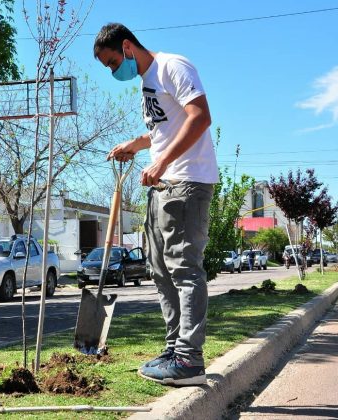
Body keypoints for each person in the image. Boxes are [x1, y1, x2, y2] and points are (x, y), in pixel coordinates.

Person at [93, 23, 218, 386]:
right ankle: (174, 349)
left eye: (114, 62)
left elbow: (200, 116)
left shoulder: (172, 67)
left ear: (128, 46)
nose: (114, 71)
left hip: (187, 182)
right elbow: (165, 130)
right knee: (160, 271)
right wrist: (136, 144)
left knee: (184, 269)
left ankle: (189, 359)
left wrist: (162, 163)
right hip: (163, 186)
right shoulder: (147, 84)